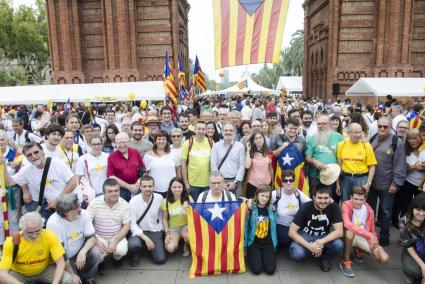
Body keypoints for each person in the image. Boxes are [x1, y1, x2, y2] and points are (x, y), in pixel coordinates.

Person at [2, 142, 78, 221]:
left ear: (42, 152)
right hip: (51, 207)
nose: (33, 156)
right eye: (29, 155)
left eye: (36, 152)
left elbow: (73, 182)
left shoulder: (56, 163)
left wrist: (57, 201)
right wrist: (3, 165)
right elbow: (8, 182)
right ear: (26, 158)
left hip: (69, 205)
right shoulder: (26, 170)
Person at [0, 212, 71, 284]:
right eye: (30, 232)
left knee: (67, 279)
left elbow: (60, 263)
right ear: (22, 229)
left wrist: (55, 283)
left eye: (37, 231)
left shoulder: (50, 236)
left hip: (44, 270)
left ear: (42, 226)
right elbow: (2, 274)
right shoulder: (11, 242)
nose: (34, 235)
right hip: (19, 273)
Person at [368, 117, 406, 246]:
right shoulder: (373, 138)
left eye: (385, 127)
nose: (382, 129)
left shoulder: (397, 142)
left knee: (385, 211)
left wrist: (396, 184)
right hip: (372, 183)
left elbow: (400, 165)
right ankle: (370, 234)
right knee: (370, 210)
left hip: (387, 184)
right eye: (380, 126)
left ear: (391, 127)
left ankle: (384, 236)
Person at [46, 194, 101, 284]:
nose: (80, 209)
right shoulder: (54, 223)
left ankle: (87, 278)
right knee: (70, 280)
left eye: (79, 205)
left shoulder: (84, 214)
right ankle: (76, 276)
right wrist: (72, 274)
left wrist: (83, 252)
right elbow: (61, 254)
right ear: (66, 212)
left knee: (96, 252)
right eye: (76, 208)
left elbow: (92, 237)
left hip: (79, 251)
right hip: (64, 259)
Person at [288, 185, 344, 272]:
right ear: (314, 197)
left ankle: (325, 257)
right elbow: (291, 232)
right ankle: (312, 250)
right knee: (297, 254)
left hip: (322, 236)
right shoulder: (306, 207)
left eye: (326, 198)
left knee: (339, 244)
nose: (323, 201)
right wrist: (310, 246)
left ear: (330, 198)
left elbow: (339, 232)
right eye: (320, 198)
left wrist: (321, 241)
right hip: (305, 235)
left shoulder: (335, 207)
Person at [340, 186, 389, 278]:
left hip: (363, 237)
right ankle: (345, 260)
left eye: (361, 199)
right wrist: (368, 235)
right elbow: (347, 223)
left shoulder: (369, 209)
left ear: (365, 198)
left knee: (384, 258)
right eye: (355, 199)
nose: (358, 202)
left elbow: (372, 230)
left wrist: (375, 243)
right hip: (347, 235)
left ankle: (358, 249)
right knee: (350, 231)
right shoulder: (346, 205)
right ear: (351, 197)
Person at [86, 178, 130, 268]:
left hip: (116, 235)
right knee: (97, 254)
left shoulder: (124, 204)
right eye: (110, 191)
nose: (114, 193)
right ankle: (100, 261)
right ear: (104, 192)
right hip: (98, 235)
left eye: (116, 190)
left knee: (121, 250)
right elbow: (87, 224)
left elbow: (126, 226)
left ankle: (116, 258)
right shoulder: (94, 203)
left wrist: (115, 242)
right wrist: (96, 241)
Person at [128, 175, 166, 266]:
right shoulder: (133, 201)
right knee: (132, 245)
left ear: (154, 187)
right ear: (140, 187)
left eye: (150, 186)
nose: (147, 188)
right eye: (144, 186)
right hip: (139, 231)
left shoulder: (159, 198)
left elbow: (161, 215)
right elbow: (132, 224)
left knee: (160, 259)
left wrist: (160, 228)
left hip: (154, 230)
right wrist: (146, 239)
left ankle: (152, 249)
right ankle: (135, 253)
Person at [306, 115, 345, 196]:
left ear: (329, 124)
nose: (320, 126)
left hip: (333, 176)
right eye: (318, 124)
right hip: (315, 176)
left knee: (330, 200)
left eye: (323, 124)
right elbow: (307, 158)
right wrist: (314, 162)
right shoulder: (312, 139)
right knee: (315, 199)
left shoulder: (338, 137)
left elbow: (345, 151)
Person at [393, 129, 425, 227]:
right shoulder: (405, 151)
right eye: (409, 138)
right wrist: (414, 166)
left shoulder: (423, 150)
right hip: (407, 183)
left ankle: (417, 227)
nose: (412, 141)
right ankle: (404, 226)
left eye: (415, 138)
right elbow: (400, 168)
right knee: (405, 206)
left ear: (420, 138)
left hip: (421, 186)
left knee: (420, 208)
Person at [337, 123, 377, 201]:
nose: (358, 135)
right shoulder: (341, 145)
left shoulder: (366, 146)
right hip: (345, 179)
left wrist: (368, 184)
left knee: (359, 203)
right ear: (348, 133)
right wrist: (337, 183)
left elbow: (372, 166)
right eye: (355, 132)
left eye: (360, 132)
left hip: (361, 179)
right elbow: (339, 165)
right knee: (346, 203)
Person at [244, 184, 277, 275]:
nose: (264, 199)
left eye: (267, 196)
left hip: (267, 242)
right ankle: (256, 256)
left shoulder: (271, 209)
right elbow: (245, 228)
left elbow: (274, 229)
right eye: (262, 195)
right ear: (257, 195)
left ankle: (265, 256)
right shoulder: (250, 209)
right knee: (257, 270)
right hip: (254, 242)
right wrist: (245, 247)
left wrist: (274, 244)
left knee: (270, 270)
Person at [272, 169, 311, 246]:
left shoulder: (298, 193)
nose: (288, 182)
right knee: (285, 239)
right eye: (285, 180)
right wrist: (249, 201)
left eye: (291, 180)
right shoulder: (275, 194)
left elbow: (311, 203)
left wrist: (328, 201)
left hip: (295, 225)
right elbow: (261, 200)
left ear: (294, 181)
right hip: (281, 225)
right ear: (282, 182)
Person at [107, 132, 144, 202]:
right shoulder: (111, 157)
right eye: (118, 143)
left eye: (124, 142)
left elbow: (142, 170)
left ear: (129, 142)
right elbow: (111, 176)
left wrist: (138, 183)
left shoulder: (135, 152)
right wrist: (129, 186)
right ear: (115, 144)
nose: (122, 145)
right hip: (121, 190)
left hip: (137, 188)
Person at [211, 123, 245, 197]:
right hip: (220, 181)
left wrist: (235, 182)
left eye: (231, 130)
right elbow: (214, 165)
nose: (228, 132)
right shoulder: (216, 146)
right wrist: (220, 182)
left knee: (236, 206)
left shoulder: (240, 147)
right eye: (226, 130)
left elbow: (242, 166)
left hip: (236, 181)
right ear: (222, 132)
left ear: (234, 132)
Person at [181, 120, 212, 201]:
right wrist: (186, 183)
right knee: (194, 209)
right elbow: (183, 164)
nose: (201, 131)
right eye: (199, 129)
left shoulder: (211, 142)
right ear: (194, 130)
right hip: (193, 184)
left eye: (203, 129)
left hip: (207, 184)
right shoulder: (187, 143)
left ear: (206, 131)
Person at [162, 177, 192, 257]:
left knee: (189, 237)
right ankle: (177, 242)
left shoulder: (188, 198)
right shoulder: (166, 201)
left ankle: (186, 246)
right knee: (170, 248)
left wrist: (190, 226)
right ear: (170, 188)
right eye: (174, 187)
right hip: (173, 228)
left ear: (183, 187)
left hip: (185, 226)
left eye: (179, 187)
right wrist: (167, 233)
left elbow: (194, 215)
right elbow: (164, 219)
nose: (177, 189)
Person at [143, 131, 179, 197]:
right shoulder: (148, 155)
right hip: (154, 190)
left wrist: (178, 185)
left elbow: (178, 169)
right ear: (155, 141)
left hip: (171, 190)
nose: (161, 141)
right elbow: (145, 173)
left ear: (167, 141)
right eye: (159, 139)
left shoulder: (173, 153)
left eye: (163, 139)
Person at [400, 196, 425, 284]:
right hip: (411, 250)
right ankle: (411, 275)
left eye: (424, 210)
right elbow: (408, 245)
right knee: (415, 271)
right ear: (412, 208)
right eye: (418, 209)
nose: (421, 213)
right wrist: (423, 266)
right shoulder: (404, 221)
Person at [245, 132, 273, 199]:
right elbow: (247, 166)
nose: (259, 140)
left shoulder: (269, 152)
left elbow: (271, 169)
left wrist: (272, 183)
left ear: (264, 139)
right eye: (256, 138)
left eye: (260, 138)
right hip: (253, 183)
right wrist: (248, 151)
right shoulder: (251, 153)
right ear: (253, 141)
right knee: (252, 204)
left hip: (266, 183)